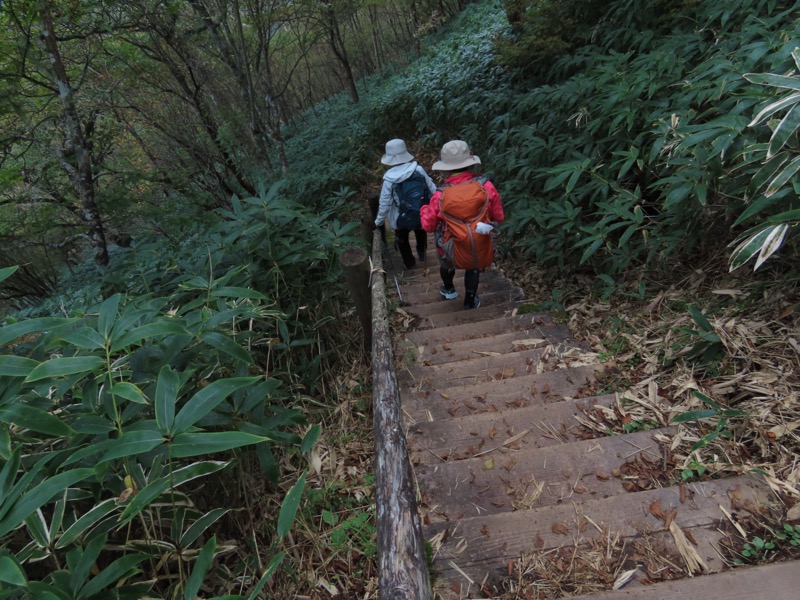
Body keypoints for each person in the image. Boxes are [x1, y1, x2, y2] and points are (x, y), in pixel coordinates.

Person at [420, 140, 504, 310]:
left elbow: (428, 225)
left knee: (446, 264)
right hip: (477, 239)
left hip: (450, 243)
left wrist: (423, 208)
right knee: (473, 266)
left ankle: (449, 289)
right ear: (470, 163)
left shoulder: (440, 194)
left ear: (446, 168)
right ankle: (470, 300)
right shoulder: (485, 186)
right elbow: (499, 216)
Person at [374, 139, 437, 269]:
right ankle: (422, 252)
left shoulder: (389, 179)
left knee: (402, 238)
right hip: (419, 211)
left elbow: (385, 203)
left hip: (400, 216)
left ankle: (409, 263)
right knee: (420, 230)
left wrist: (379, 221)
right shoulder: (418, 169)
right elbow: (432, 188)